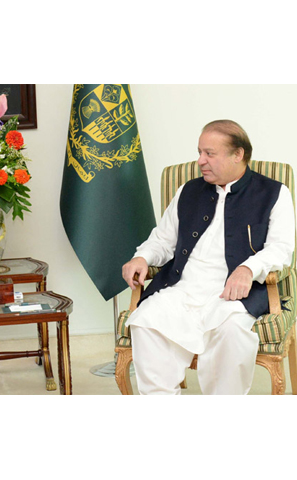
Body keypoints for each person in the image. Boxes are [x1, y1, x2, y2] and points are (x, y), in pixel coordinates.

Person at [121, 120, 295, 395]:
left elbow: (282, 249)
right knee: (147, 319)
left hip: (232, 295)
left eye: (209, 153)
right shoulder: (188, 191)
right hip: (182, 289)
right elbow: (163, 240)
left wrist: (248, 269)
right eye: (199, 152)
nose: (200, 160)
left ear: (238, 154)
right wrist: (142, 257)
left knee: (232, 332)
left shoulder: (274, 193)